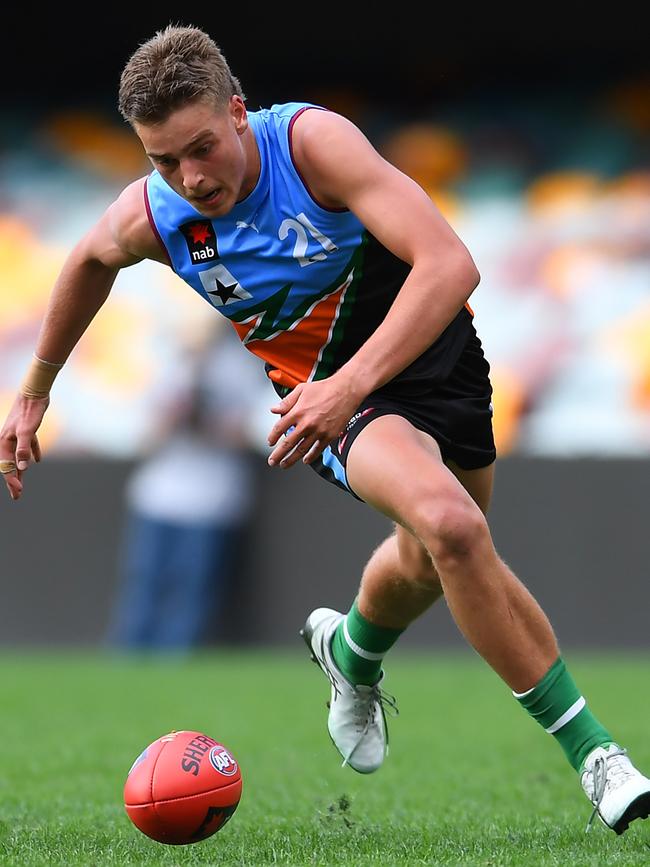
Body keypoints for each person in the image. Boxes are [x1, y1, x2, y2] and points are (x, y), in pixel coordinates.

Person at [0, 25, 648, 835]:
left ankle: (350, 655)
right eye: (164, 160)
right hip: (333, 404)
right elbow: (89, 260)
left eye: (202, 146)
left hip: (434, 362)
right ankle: (597, 754)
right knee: (451, 526)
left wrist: (352, 381)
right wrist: (35, 387)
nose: (190, 178)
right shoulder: (158, 214)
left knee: (428, 553)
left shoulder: (312, 146)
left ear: (238, 112)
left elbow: (449, 264)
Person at [107, 323, 263, 650]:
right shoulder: (168, 365)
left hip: (213, 500)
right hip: (158, 496)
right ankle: (125, 666)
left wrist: (211, 422)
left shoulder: (242, 366)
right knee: (143, 588)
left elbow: (249, 434)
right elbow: (145, 438)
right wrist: (175, 414)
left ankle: (174, 668)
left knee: (192, 593)